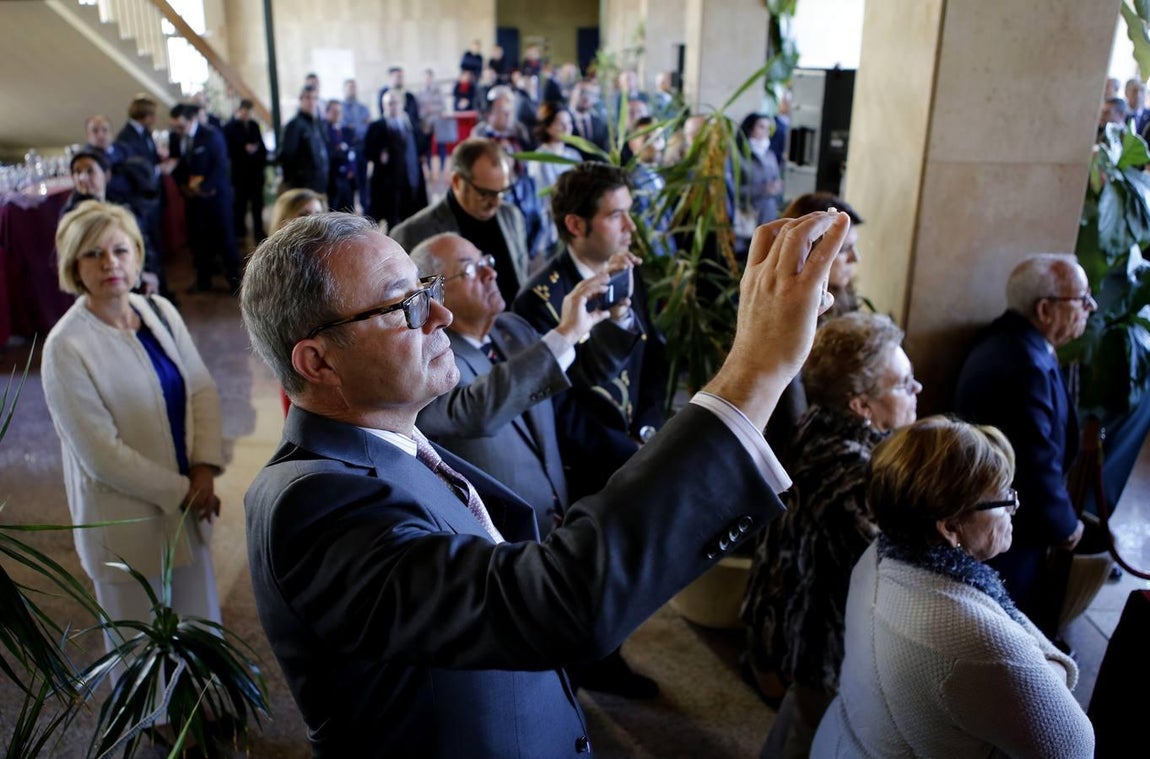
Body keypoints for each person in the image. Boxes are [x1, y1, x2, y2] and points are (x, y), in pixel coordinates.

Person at [240, 208, 852, 757]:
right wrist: (756, 369)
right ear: (318, 361)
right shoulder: (311, 504)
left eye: (428, 290)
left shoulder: (393, 436)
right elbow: (553, 600)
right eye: (407, 306)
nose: (444, 315)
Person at [811, 417, 1094, 758]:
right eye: (1003, 498)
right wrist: (1050, 671)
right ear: (950, 527)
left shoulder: (875, 556)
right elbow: (1073, 748)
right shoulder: (974, 642)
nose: (1014, 508)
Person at [42, 201, 224, 660]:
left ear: (137, 255)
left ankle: (204, 706)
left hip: (187, 503)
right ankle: (159, 725)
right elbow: (101, 453)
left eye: (120, 251)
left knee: (196, 618)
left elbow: (201, 389)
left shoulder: (159, 311)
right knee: (140, 641)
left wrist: (203, 468)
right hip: (124, 517)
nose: (110, 264)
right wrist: (185, 490)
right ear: (73, 266)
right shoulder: (66, 346)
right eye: (94, 254)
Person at [741, 312, 921, 758]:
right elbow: (894, 572)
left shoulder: (816, 422)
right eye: (903, 383)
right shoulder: (855, 478)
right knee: (814, 740)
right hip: (822, 650)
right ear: (861, 405)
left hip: (795, 638)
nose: (917, 390)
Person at [412, 233, 607, 535]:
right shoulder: (433, 358)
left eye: (485, 261)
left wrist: (614, 317)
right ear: (436, 293)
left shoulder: (511, 328)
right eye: (471, 270)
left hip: (562, 520)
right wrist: (565, 333)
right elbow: (476, 409)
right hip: (502, 540)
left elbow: (573, 377)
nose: (492, 273)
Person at [954, 253, 1098, 640]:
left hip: (1010, 515)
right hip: (1010, 523)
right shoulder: (1023, 362)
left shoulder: (1020, 343)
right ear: (1046, 309)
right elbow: (1035, 462)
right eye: (1081, 299)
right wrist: (1064, 523)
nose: (1091, 307)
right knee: (1007, 618)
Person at [513, 162, 667, 501]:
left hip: (640, 446)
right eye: (615, 216)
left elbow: (653, 352)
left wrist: (646, 429)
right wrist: (628, 452)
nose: (630, 226)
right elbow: (557, 409)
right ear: (575, 224)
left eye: (629, 212)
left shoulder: (625, 269)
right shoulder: (539, 301)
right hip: (590, 473)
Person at [391, 138, 530, 306]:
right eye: (485, 193)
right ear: (457, 181)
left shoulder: (512, 216)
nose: (496, 202)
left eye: (502, 191)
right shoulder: (413, 233)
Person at [169, 103, 240, 293]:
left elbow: (220, 166)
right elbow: (176, 165)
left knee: (225, 240)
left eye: (181, 126)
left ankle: (235, 282)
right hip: (193, 199)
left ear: (192, 120)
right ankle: (203, 280)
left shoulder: (211, 135)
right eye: (175, 126)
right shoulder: (175, 138)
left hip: (216, 197)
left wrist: (205, 188)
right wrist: (183, 187)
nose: (178, 130)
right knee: (198, 241)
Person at [366, 90, 429, 229]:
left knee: (411, 217)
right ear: (383, 106)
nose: (392, 107)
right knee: (392, 219)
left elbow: (421, 146)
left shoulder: (409, 124)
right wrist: (379, 155)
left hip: (410, 178)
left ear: (401, 104)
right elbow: (367, 151)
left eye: (395, 103)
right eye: (389, 104)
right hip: (388, 183)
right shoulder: (377, 126)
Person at [527, 103, 581, 258]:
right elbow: (544, 197)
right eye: (560, 123)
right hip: (550, 227)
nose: (566, 128)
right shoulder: (539, 159)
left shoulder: (573, 155)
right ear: (548, 127)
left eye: (569, 123)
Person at [223, 99, 268, 241]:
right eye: (245, 113)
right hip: (240, 174)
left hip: (255, 174)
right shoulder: (229, 128)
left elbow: (261, 146)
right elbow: (228, 151)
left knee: (257, 205)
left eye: (249, 113)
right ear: (240, 110)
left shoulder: (254, 125)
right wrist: (244, 149)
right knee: (240, 205)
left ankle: (259, 232)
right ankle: (240, 233)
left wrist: (257, 151)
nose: (247, 115)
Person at [737, 113, 783, 245]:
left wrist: (777, 187)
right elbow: (733, 190)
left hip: (769, 214)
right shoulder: (739, 156)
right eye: (761, 127)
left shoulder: (770, 154)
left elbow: (776, 179)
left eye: (768, 128)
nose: (765, 132)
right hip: (748, 215)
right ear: (750, 129)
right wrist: (762, 189)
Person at [279, 85, 330, 194]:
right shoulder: (294, 125)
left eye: (314, 98)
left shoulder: (318, 124)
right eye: (307, 98)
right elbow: (287, 156)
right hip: (303, 187)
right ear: (301, 100)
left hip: (320, 184)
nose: (311, 101)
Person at [322, 99, 357, 213]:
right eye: (334, 111)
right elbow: (331, 154)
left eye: (339, 111)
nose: (337, 114)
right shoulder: (323, 130)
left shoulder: (346, 131)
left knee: (349, 213)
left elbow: (353, 150)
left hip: (348, 180)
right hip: (333, 180)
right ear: (327, 112)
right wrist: (342, 152)